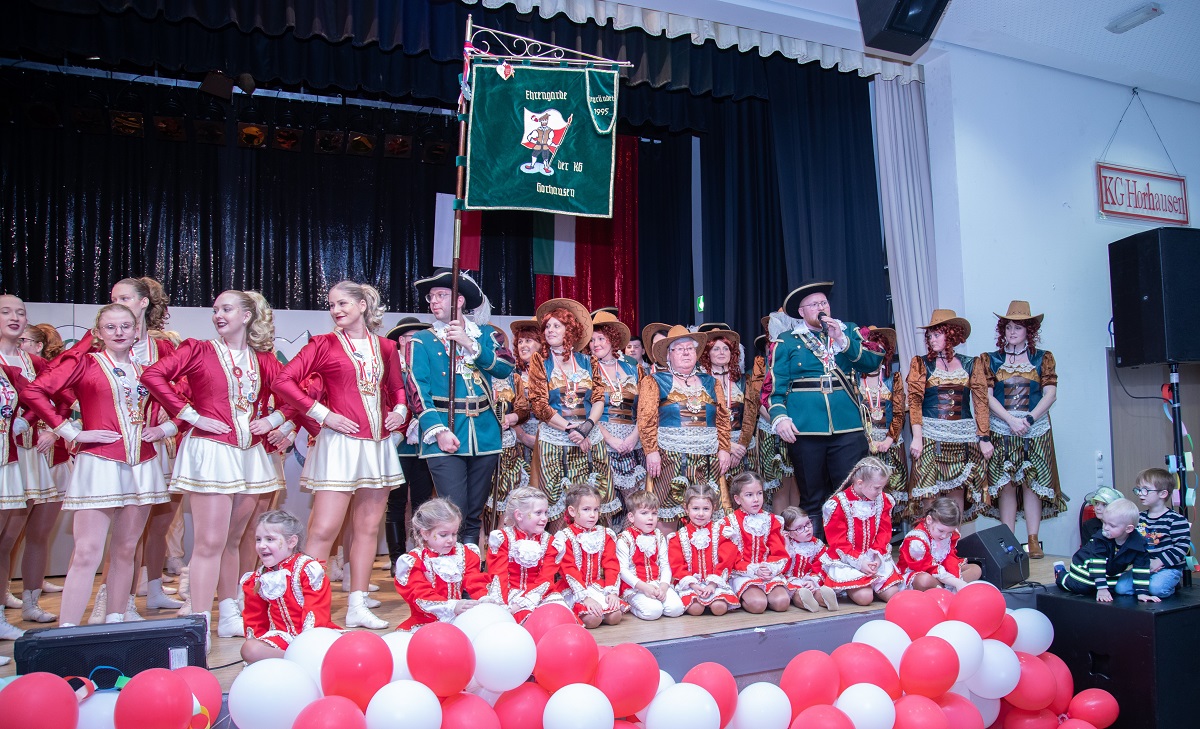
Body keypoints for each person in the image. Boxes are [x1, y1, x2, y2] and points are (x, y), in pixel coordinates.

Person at [143, 290, 289, 638]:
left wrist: (275, 420)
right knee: (210, 541)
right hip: (211, 452)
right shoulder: (198, 349)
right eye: (215, 310)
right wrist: (190, 414)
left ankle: (228, 612)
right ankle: (199, 620)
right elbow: (153, 376)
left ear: (247, 315)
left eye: (227, 309)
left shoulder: (265, 360)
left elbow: (296, 393)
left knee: (236, 539)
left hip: (250, 456)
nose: (218, 315)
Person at [24, 304, 171, 626]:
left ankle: (115, 621)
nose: (119, 333)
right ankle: (67, 631)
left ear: (136, 331)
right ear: (98, 332)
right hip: (99, 464)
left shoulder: (146, 368)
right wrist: (71, 431)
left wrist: (164, 429)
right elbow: (36, 392)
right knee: (88, 553)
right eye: (110, 327)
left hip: (142, 465)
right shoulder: (85, 363)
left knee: (126, 550)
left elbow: (179, 404)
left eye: (125, 327)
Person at [273, 280, 407, 629]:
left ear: (363, 305)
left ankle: (358, 605)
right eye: (331, 304)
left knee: (366, 528)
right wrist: (323, 414)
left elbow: (395, 387)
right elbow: (283, 381)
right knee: (324, 529)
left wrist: (401, 412)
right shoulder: (323, 344)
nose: (336, 310)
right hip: (338, 446)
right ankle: (309, 610)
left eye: (343, 303)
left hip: (376, 445)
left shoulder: (386, 347)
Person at [768, 281, 882, 539]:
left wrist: (841, 339)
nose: (821, 308)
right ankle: (816, 555)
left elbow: (872, 360)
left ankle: (851, 551)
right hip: (806, 429)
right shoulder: (786, 342)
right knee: (812, 497)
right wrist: (780, 417)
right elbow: (773, 389)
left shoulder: (848, 331)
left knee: (851, 493)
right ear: (801, 312)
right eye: (815, 305)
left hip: (848, 426)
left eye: (824, 303)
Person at [410, 269, 515, 544]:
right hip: (444, 432)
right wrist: (438, 431)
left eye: (442, 295)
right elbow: (418, 391)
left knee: (473, 512)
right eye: (431, 296)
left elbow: (505, 368)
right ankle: (450, 572)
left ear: (459, 301)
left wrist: (469, 344)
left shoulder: (486, 335)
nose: (434, 301)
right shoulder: (420, 341)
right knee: (451, 511)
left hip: (484, 433)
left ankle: (469, 571)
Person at [109, 277, 183, 620]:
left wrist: (167, 426)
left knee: (160, 521)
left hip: (156, 445)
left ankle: (153, 589)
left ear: (143, 303)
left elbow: (183, 393)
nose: (118, 302)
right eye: (113, 298)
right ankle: (115, 600)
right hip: (115, 449)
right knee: (123, 527)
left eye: (124, 297)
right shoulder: (99, 340)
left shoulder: (163, 348)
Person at [982, 301, 1066, 558]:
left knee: (1033, 483)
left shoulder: (1043, 358)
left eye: (1018, 327)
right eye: (1008, 327)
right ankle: (1008, 538)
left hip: (1035, 428)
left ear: (1029, 330)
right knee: (1006, 483)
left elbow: (1050, 394)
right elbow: (986, 396)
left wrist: (1028, 420)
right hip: (1003, 427)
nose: (1012, 332)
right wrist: (1010, 420)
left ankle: (1033, 539)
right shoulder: (991, 359)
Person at [526, 298, 612, 527]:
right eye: (547, 326)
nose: (550, 330)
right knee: (556, 504)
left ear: (570, 330)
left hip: (589, 438)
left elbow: (598, 398)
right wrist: (570, 428)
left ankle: (591, 555)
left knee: (592, 501)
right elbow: (539, 404)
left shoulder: (587, 360)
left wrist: (587, 428)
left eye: (557, 325)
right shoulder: (540, 361)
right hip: (555, 440)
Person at [0, 297, 58, 625]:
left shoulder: (31, 362)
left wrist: (39, 419)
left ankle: (28, 604)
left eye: (20, 312)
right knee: (4, 537)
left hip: (24, 455)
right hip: (3, 455)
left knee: (14, 534)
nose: (15, 317)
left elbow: (58, 395)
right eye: (6, 312)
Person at [638, 326, 731, 528]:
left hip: (708, 457)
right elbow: (646, 420)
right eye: (679, 349)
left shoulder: (711, 382)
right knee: (667, 510)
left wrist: (724, 448)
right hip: (670, 457)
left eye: (690, 348)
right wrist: (651, 451)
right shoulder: (654, 381)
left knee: (705, 510)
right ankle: (669, 557)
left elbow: (723, 419)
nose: (686, 352)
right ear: (668, 355)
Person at [907, 309, 992, 520]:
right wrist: (917, 437)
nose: (932, 339)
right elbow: (915, 402)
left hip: (962, 437)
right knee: (928, 491)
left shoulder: (972, 363)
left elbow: (981, 402)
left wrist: (984, 437)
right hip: (930, 435)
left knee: (957, 492)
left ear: (952, 335)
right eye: (930, 335)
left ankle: (954, 544)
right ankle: (928, 545)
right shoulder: (921, 363)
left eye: (937, 334)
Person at [240, 510, 339, 663]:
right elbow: (255, 620)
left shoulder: (307, 570)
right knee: (249, 649)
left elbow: (316, 613)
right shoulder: (257, 579)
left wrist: (305, 644)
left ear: (292, 542)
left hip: (312, 636)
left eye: (269, 539)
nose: (261, 545)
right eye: (258, 539)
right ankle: (300, 661)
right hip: (282, 640)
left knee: (353, 645)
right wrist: (262, 647)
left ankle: (301, 659)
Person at [395, 498, 494, 631]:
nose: (451, 540)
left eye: (454, 534)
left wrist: (483, 597)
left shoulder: (463, 553)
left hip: (460, 620)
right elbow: (420, 595)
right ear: (425, 533)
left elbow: (474, 579)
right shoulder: (414, 561)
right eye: (443, 535)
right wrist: (452, 606)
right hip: (426, 623)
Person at [384, 317, 435, 569]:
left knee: (422, 504)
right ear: (401, 341)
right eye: (412, 338)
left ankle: (420, 555)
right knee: (395, 503)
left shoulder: (426, 368)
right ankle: (396, 559)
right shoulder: (390, 370)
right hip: (398, 447)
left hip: (425, 448)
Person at [822, 457, 902, 606]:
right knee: (865, 598)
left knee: (893, 595)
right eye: (877, 488)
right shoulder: (838, 504)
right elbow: (838, 542)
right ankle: (837, 591)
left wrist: (877, 556)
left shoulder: (883, 500)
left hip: (873, 558)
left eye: (882, 487)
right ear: (860, 483)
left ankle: (870, 583)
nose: (880, 492)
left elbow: (884, 532)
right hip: (848, 559)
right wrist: (860, 562)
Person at [486, 319, 539, 531]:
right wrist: (521, 435)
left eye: (530, 340)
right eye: (521, 341)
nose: (523, 345)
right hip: (513, 439)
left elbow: (521, 408)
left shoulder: (522, 375)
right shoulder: (512, 372)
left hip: (542, 437)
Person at [591, 311, 646, 508]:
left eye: (601, 338)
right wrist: (610, 439)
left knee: (636, 504)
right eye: (591, 340)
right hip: (601, 442)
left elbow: (645, 408)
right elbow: (588, 410)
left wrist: (634, 437)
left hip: (632, 443)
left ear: (613, 339)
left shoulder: (635, 369)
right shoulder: (587, 370)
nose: (595, 344)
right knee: (603, 503)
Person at [486, 486, 566, 622]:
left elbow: (546, 577)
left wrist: (529, 599)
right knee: (528, 619)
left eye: (546, 512)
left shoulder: (550, 542)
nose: (544, 518)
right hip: (511, 594)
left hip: (540, 594)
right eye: (538, 513)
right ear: (519, 515)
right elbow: (499, 575)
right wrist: (503, 606)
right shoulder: (502, 539)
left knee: (559, 617)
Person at [1054, 498, 1157, 603]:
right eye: (1104, 523)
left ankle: (1101, 584)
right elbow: (1097, 563)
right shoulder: (1100, 539)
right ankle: (1060, 573)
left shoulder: (1138, 544)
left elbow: (1142, 568)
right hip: (1085, 566)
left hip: (1109, 570)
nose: (1106, 528)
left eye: (1112, 525)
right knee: (1083, 586)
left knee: (1116, 588)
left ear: (1129, 529)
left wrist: (1142, 593)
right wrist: (1102, 588)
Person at [551, 483, 625, 629]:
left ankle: (600, 608)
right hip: (574, 588)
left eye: (596, 510)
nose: (592, 514)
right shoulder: (565, 537)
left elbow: (611, 564)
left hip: (597, 585)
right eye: (586, 509)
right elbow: (568, 569)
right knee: (593, 619)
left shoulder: (605, 534)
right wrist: (585, 598)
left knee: (615, 616)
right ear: (572, 511)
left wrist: (612, 592)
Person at [722, 471, 790, 614]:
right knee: (758, 605)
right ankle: (742, 596)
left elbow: (778, 552)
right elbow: (730, 559)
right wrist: (753, 569)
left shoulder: (770, 520)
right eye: (749, 495)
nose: (756, 499)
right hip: (743, 573)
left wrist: (769, 568)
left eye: (759, 493)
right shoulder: (730, 523)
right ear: (738, 499)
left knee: (782, 603)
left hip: (766, 572)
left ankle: (768, 596)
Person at [668, 483, 739, 616]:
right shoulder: (678, 537)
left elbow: (726, 561)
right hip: (691, 585)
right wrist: (694, 585)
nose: (700, 514)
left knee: (719, 608)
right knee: (696, 609)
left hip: (714, 583)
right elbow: (677, 566)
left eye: (706, 509)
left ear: (714, 508)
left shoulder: (722, 532)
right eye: (695, 508)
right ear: (686, 508)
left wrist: (712, 585)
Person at [1118, 469, 1188, 599]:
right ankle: (1144, 588)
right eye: (1138, 489)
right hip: (1143, 567)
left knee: (1156, 588)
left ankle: (1172, 584)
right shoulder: (1138, 517)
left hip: (1167, 568)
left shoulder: (1176, 520)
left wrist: (1159, 562)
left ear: (1162, 493)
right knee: (1120, 588)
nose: (1140, 494)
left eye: (1145, 490)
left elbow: (1182, 547)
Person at [616, 489, 684, 620]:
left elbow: (665, 564)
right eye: (644, 513)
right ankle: (631, 604)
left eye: (654, 513)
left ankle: (658, 598)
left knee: (676, 609)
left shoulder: (658, 536)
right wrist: (644, 587)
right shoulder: (625, 538)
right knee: (653, 612)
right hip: (636, 586)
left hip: (657, 583)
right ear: (631, 517)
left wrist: (664, 586)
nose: (650, 518)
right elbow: (623, 571)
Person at [858, 327, 909, 504]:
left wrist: (889, 440)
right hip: (863, 446)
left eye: (878, 350)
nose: (874, 354)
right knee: (863, 495)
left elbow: (898, 413)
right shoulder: (854, 379)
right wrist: (865, 441)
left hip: (889, 445)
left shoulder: (893, 379)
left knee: (890, 496)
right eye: (869, 350)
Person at [699, 325, 752, 494]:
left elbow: (750, 417)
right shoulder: (700, 382)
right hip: (712, 444)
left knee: (742, 493)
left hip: (741, 446)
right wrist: (726, 446)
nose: (722, 352)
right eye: (716, 349)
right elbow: (701, 419)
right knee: (715, 495)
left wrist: (740, 447)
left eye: (726, 348)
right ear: (707, 353)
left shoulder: (743, 380)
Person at [897, 497, 982, 591]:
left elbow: (950, 558)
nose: (944, 536)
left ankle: (945, 587)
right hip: (922, 572)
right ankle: (948, 588)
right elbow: (928, 567)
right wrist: (955, 581)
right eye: (940, 530)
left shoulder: (948, 535)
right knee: (924, 580)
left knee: (976, 569)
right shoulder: (916, 541)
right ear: (929, 520)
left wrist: (953, 576)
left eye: (949, 532)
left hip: (942, 571)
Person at [779, 506, 838, 612]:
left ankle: (826, 599)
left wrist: (812, 581)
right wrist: (786, 546)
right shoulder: (787, 546)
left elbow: (820, 566)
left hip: (809, 579)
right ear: (790, 533)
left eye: (808, 523)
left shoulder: (817, 545)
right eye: (799, 528)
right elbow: (782, 568)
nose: (807, 529)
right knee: (797, 592)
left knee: (815, 590)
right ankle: (806, 602)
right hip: (791, 579)